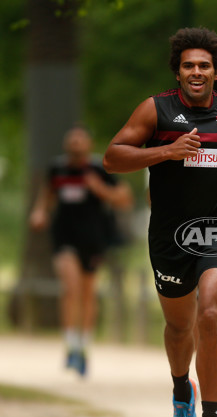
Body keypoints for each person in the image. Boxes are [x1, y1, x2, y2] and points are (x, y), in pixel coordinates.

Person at [103, 27, 217, 417]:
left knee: (211, 312)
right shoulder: (156, 111)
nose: (197, 72)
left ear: (216, 72)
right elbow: (113, 156)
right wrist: (166, 152)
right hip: (170, 235)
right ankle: (182, 392)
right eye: (189, 65)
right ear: (178, 72)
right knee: (179, 328)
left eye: (204, 66)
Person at [29, 125, 133, 377]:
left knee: (87, 292)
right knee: (71, 286)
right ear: (66, 146)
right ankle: (71, 344)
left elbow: (124, 199)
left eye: (80, 140)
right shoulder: (57, 169)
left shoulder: (100, 168)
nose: (75, 144)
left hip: (93, 239)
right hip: (64, 236)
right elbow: (47, 196)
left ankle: (84, 346)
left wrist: (99, 189)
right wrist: (40, 211)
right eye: (71, 140)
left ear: (88, 144)